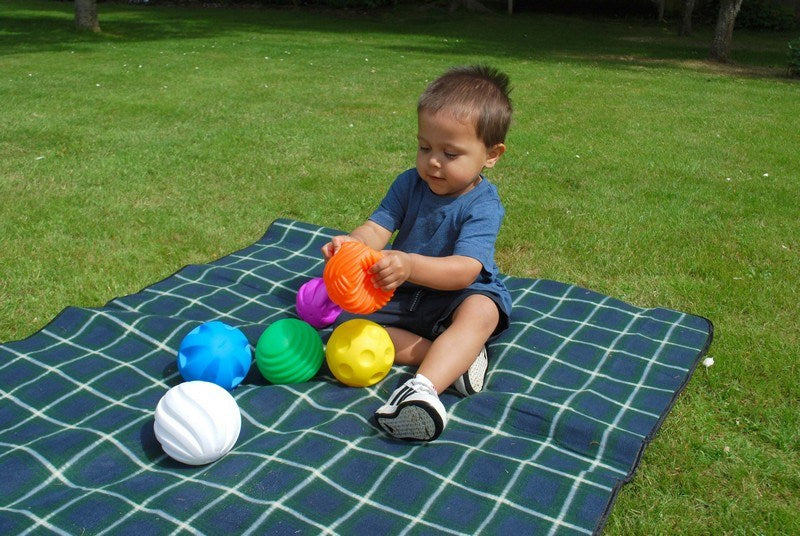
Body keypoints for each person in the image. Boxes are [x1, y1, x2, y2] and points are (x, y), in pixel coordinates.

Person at [321, 65, 513, 442]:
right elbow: (377, 228)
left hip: (459, 294)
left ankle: (422, 390)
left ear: (492, 154)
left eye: (450, 153)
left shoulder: (483, 204)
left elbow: (464, 270)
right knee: (347, 328)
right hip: (405, 291)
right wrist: (353, 245)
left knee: (483, 311)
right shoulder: (409, 183)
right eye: (425, 148)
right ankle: (456, 360)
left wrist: (409, 264)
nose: (433, 162)